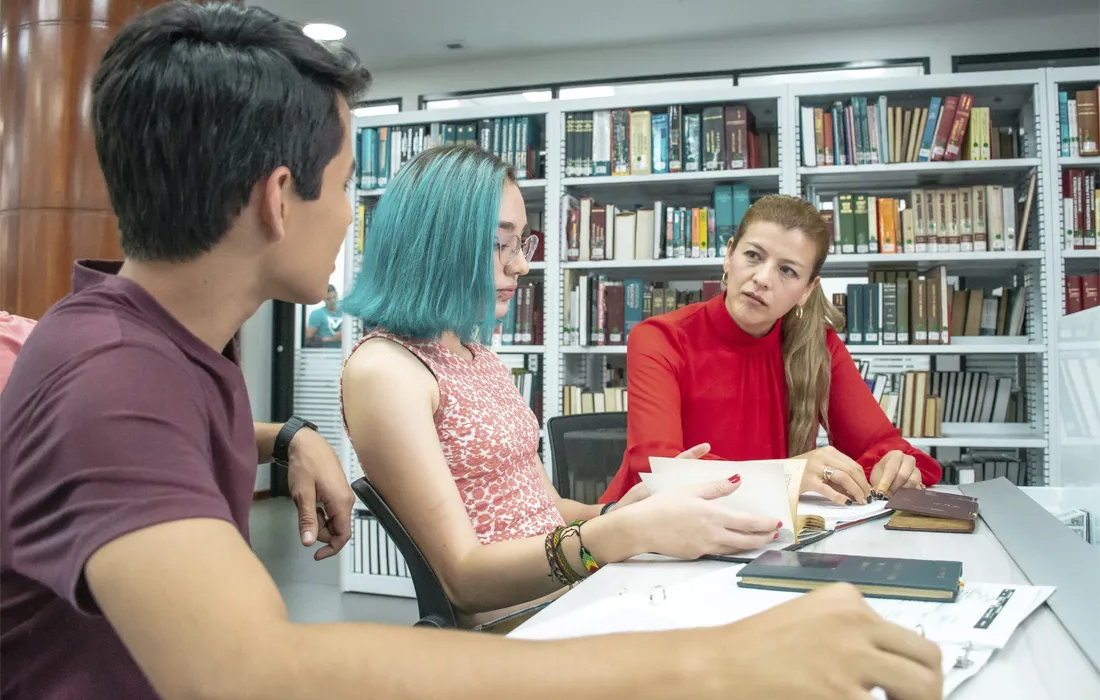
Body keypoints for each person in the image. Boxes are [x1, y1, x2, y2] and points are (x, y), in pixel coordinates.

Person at [0, 4, 943, 700]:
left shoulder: (152, 352)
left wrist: (288, 438)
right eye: (342, 185)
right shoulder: (113, 379)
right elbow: (253, 673)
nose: (350, 218)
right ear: (279, 199)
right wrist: (711, 664)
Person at [341, 144, 789, 629]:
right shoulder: (385, 371)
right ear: (435, 243)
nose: (521, 266)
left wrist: (625, 508)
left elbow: (549, 510)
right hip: (524, 624)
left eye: (522, 245)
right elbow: (462, 579)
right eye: (500, 244)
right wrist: (622, 533)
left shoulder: (479, 358)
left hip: (576, 591)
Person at [600, 194, 943, 508]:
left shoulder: (818, 346)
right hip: (643, 540)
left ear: (808, 289)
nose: (763, 278)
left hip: (762, 534)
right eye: (753, 256)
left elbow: (882, 445)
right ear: (729, 255)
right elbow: (657, 470)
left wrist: (894, 466)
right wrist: (787, 474)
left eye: (787, 270)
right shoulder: (660, 338)